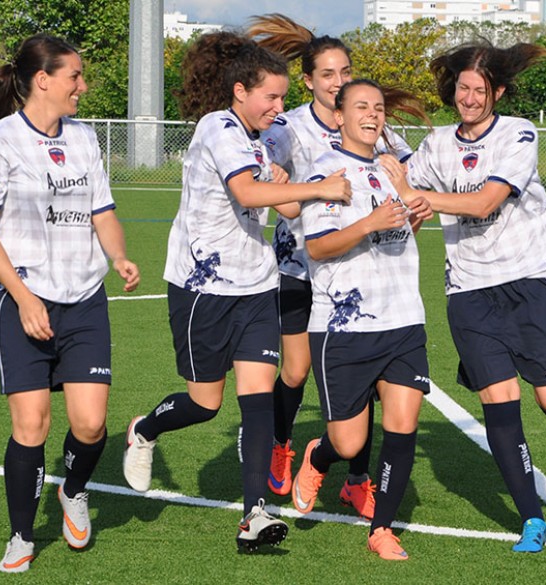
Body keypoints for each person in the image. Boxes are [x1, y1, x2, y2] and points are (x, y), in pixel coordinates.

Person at [119, 30, 350, 553]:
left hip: (256, 284)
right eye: (271, 97)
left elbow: (285, 205)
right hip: (202, 285)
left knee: (257, 405)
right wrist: (317, 188)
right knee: (205, 403)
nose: (279, 107)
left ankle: (254, 516)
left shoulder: (271, 136)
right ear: (240, 91)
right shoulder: (218, 127)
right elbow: (247, 191)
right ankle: (145, 429)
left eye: (284, 97)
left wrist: (318, 189)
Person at [384, 42, 546, 554]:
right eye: (463, 88)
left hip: (533, 282)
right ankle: (532, 520)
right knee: (499, 403)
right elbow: (401, 185)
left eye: (480, 89)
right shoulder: (437, 144)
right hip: (469, 291)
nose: (469, 97)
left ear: (499, 92)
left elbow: (486, 201)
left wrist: (420, 199)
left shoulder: (518, 133)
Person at [0, 33, 141, 573]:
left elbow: (102, 210)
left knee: (90, 426)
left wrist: (119, 257)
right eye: (75, 77)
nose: (82, 87)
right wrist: (23, 298)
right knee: (33, 425)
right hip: (21, 301)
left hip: (84, 297)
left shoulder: (85, 139)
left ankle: (74, 490)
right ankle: (21, 535)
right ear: (43, 80)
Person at [247, 14, 414, 519]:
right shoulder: (288, 128)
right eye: (328, 74)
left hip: (363, 275)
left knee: (371, 387)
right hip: (301, 265)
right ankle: (282, 443)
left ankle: (357, 479)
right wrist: (280, 187)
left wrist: (407, 188)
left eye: (345, 71)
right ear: (309, 82)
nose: (339, 81)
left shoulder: (370, 122)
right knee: (295, 370)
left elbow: (404, 172)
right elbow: (265, 178)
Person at [288, 78, 433, 560]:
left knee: (403, 424)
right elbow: (317, 247)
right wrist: (371, 222)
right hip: (344, 326)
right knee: (348, 442)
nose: (372, 115)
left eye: (378, 108)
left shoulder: (393, 168)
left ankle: (382, 529)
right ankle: (318, 455)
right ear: (340, 117)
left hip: (403, 318)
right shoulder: (326, 172)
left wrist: (410, 207)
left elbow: (403, 225)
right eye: (361, 107)